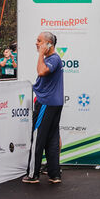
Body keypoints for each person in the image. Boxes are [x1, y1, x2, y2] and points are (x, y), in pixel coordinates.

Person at [22, 32, 64, 184]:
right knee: (52, 138)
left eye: (39, 41)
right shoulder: (52, 59)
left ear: (49, 44)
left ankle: (33, 174)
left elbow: (41, 71)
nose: (37, 43)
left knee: (38, 138)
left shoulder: (53, 58)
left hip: (46, 103)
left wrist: (40, 54)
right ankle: (54, 174)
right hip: (53, 102)